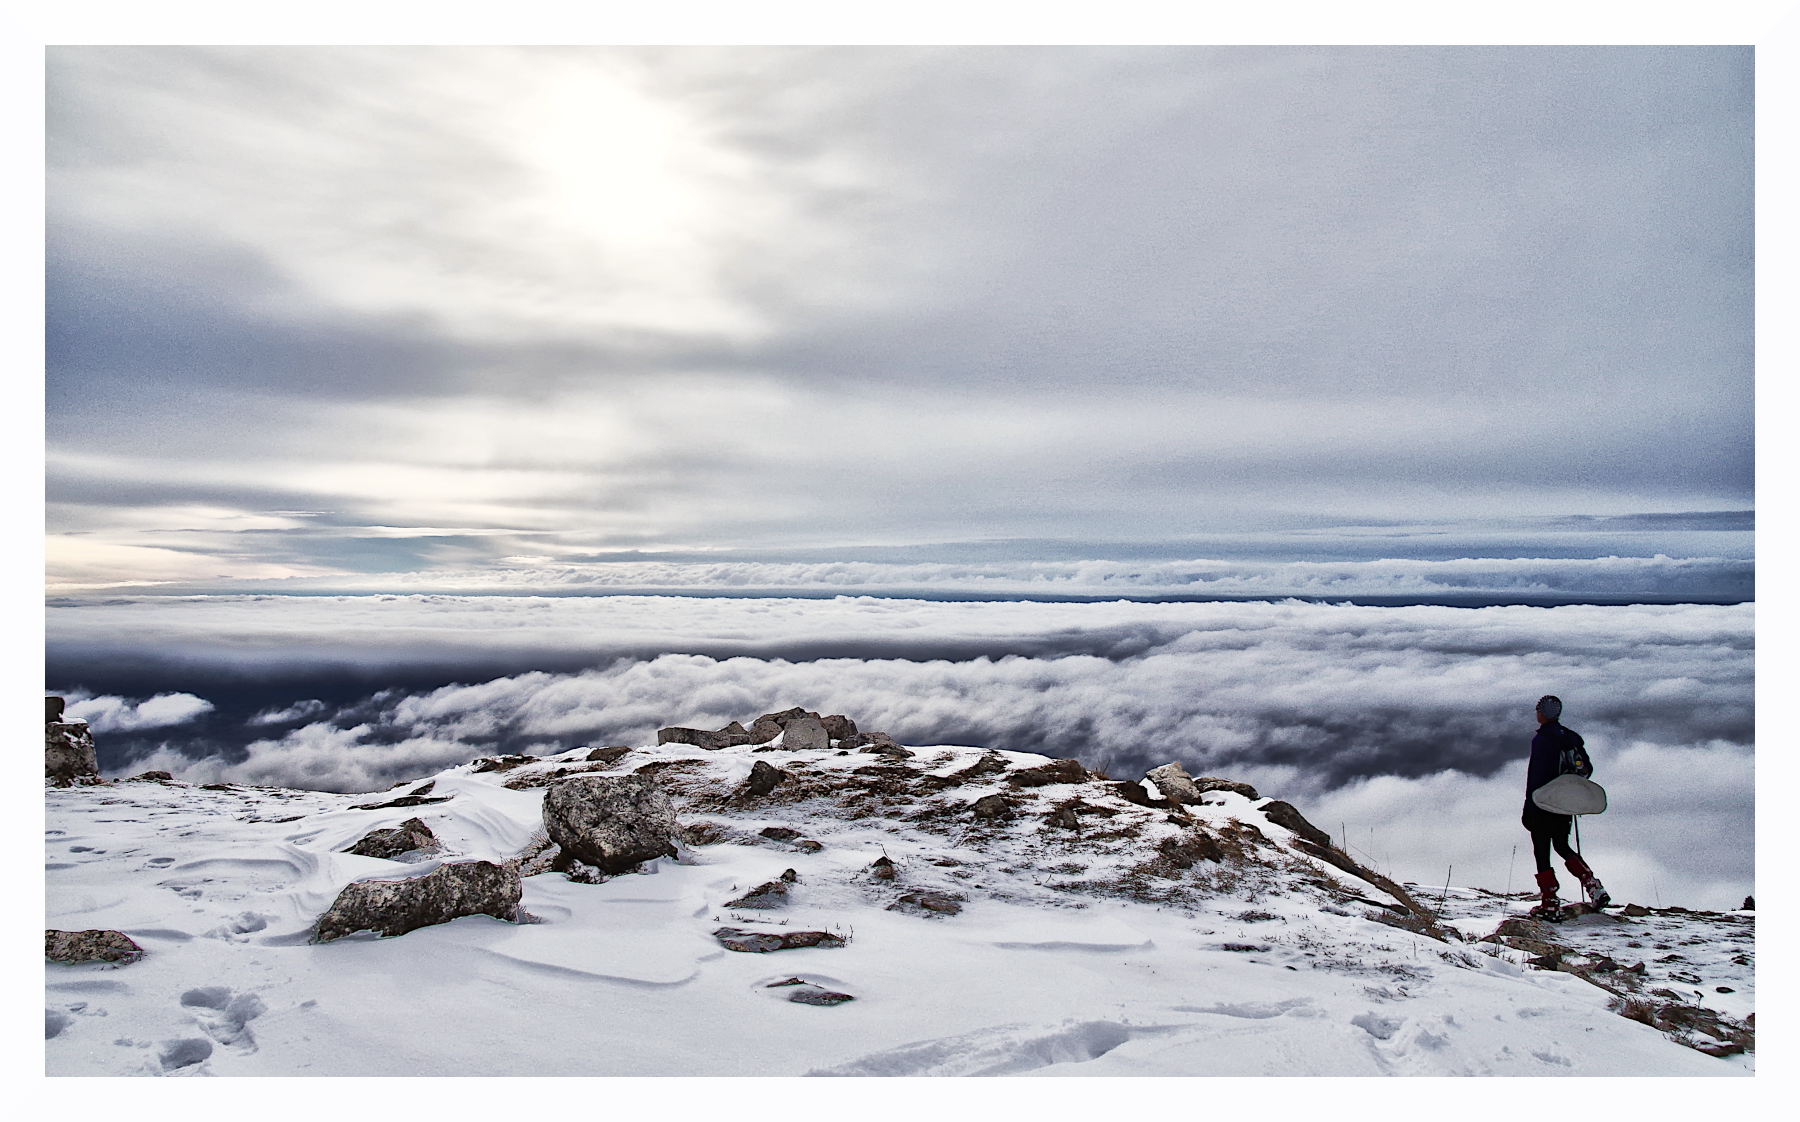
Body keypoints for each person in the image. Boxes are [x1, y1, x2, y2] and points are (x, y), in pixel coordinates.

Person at [1522, 695, 1609, 917]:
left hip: (1543, 804)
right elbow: (1586, 769)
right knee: (1562, 845)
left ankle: (1549, 902)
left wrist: (1529, 808)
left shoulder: (1541, 741)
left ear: (1541, 713)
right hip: (1564, 805)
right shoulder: (1571, 738)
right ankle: (1593, 885)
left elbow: (1536, 778)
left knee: (1542, 852)